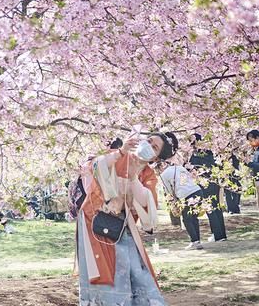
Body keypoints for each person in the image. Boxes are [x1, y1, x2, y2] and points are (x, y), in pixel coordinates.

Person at [77, 131, 178, 305]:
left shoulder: (147, 174)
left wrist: (132, 178)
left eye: (154, 147)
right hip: (94, 220)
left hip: (123, 225)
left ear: (155, 158)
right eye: (148, 141)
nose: (148, 145)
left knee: (134, 269)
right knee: (104, 269)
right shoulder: (119, 155)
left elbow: (147, 203)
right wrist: (121, 152)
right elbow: (92, 168)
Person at [187, 133, 227, 242]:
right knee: (216, 207)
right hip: (214, 181)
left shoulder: (196, 154)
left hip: (205, 182)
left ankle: (217, 234)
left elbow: (191, 168)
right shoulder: (210, 151)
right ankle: (221, 234)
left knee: (210, 208)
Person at [160, 165, 204, 250]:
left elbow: (168, 190)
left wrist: (174, 199)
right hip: (197, 191)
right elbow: (186, 180)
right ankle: (197, 241)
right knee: (194, 217)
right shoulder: (179, 167)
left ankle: (194, 241)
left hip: (186, 195)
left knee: (187, 219)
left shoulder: (164, 175)